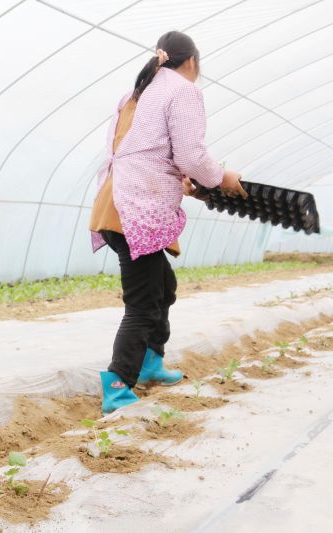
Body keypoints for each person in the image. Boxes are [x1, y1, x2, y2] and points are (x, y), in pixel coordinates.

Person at [89, 31, 247, 414]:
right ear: (191, 62)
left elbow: (148, 152)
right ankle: (117, 383)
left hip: (116, 203)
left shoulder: (138, 92)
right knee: (143, 303)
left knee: (163, 284)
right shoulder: (182, 90)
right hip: (134, 209)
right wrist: (222, 177)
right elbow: (191, 154)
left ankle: (150, 361)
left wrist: (186, 179)